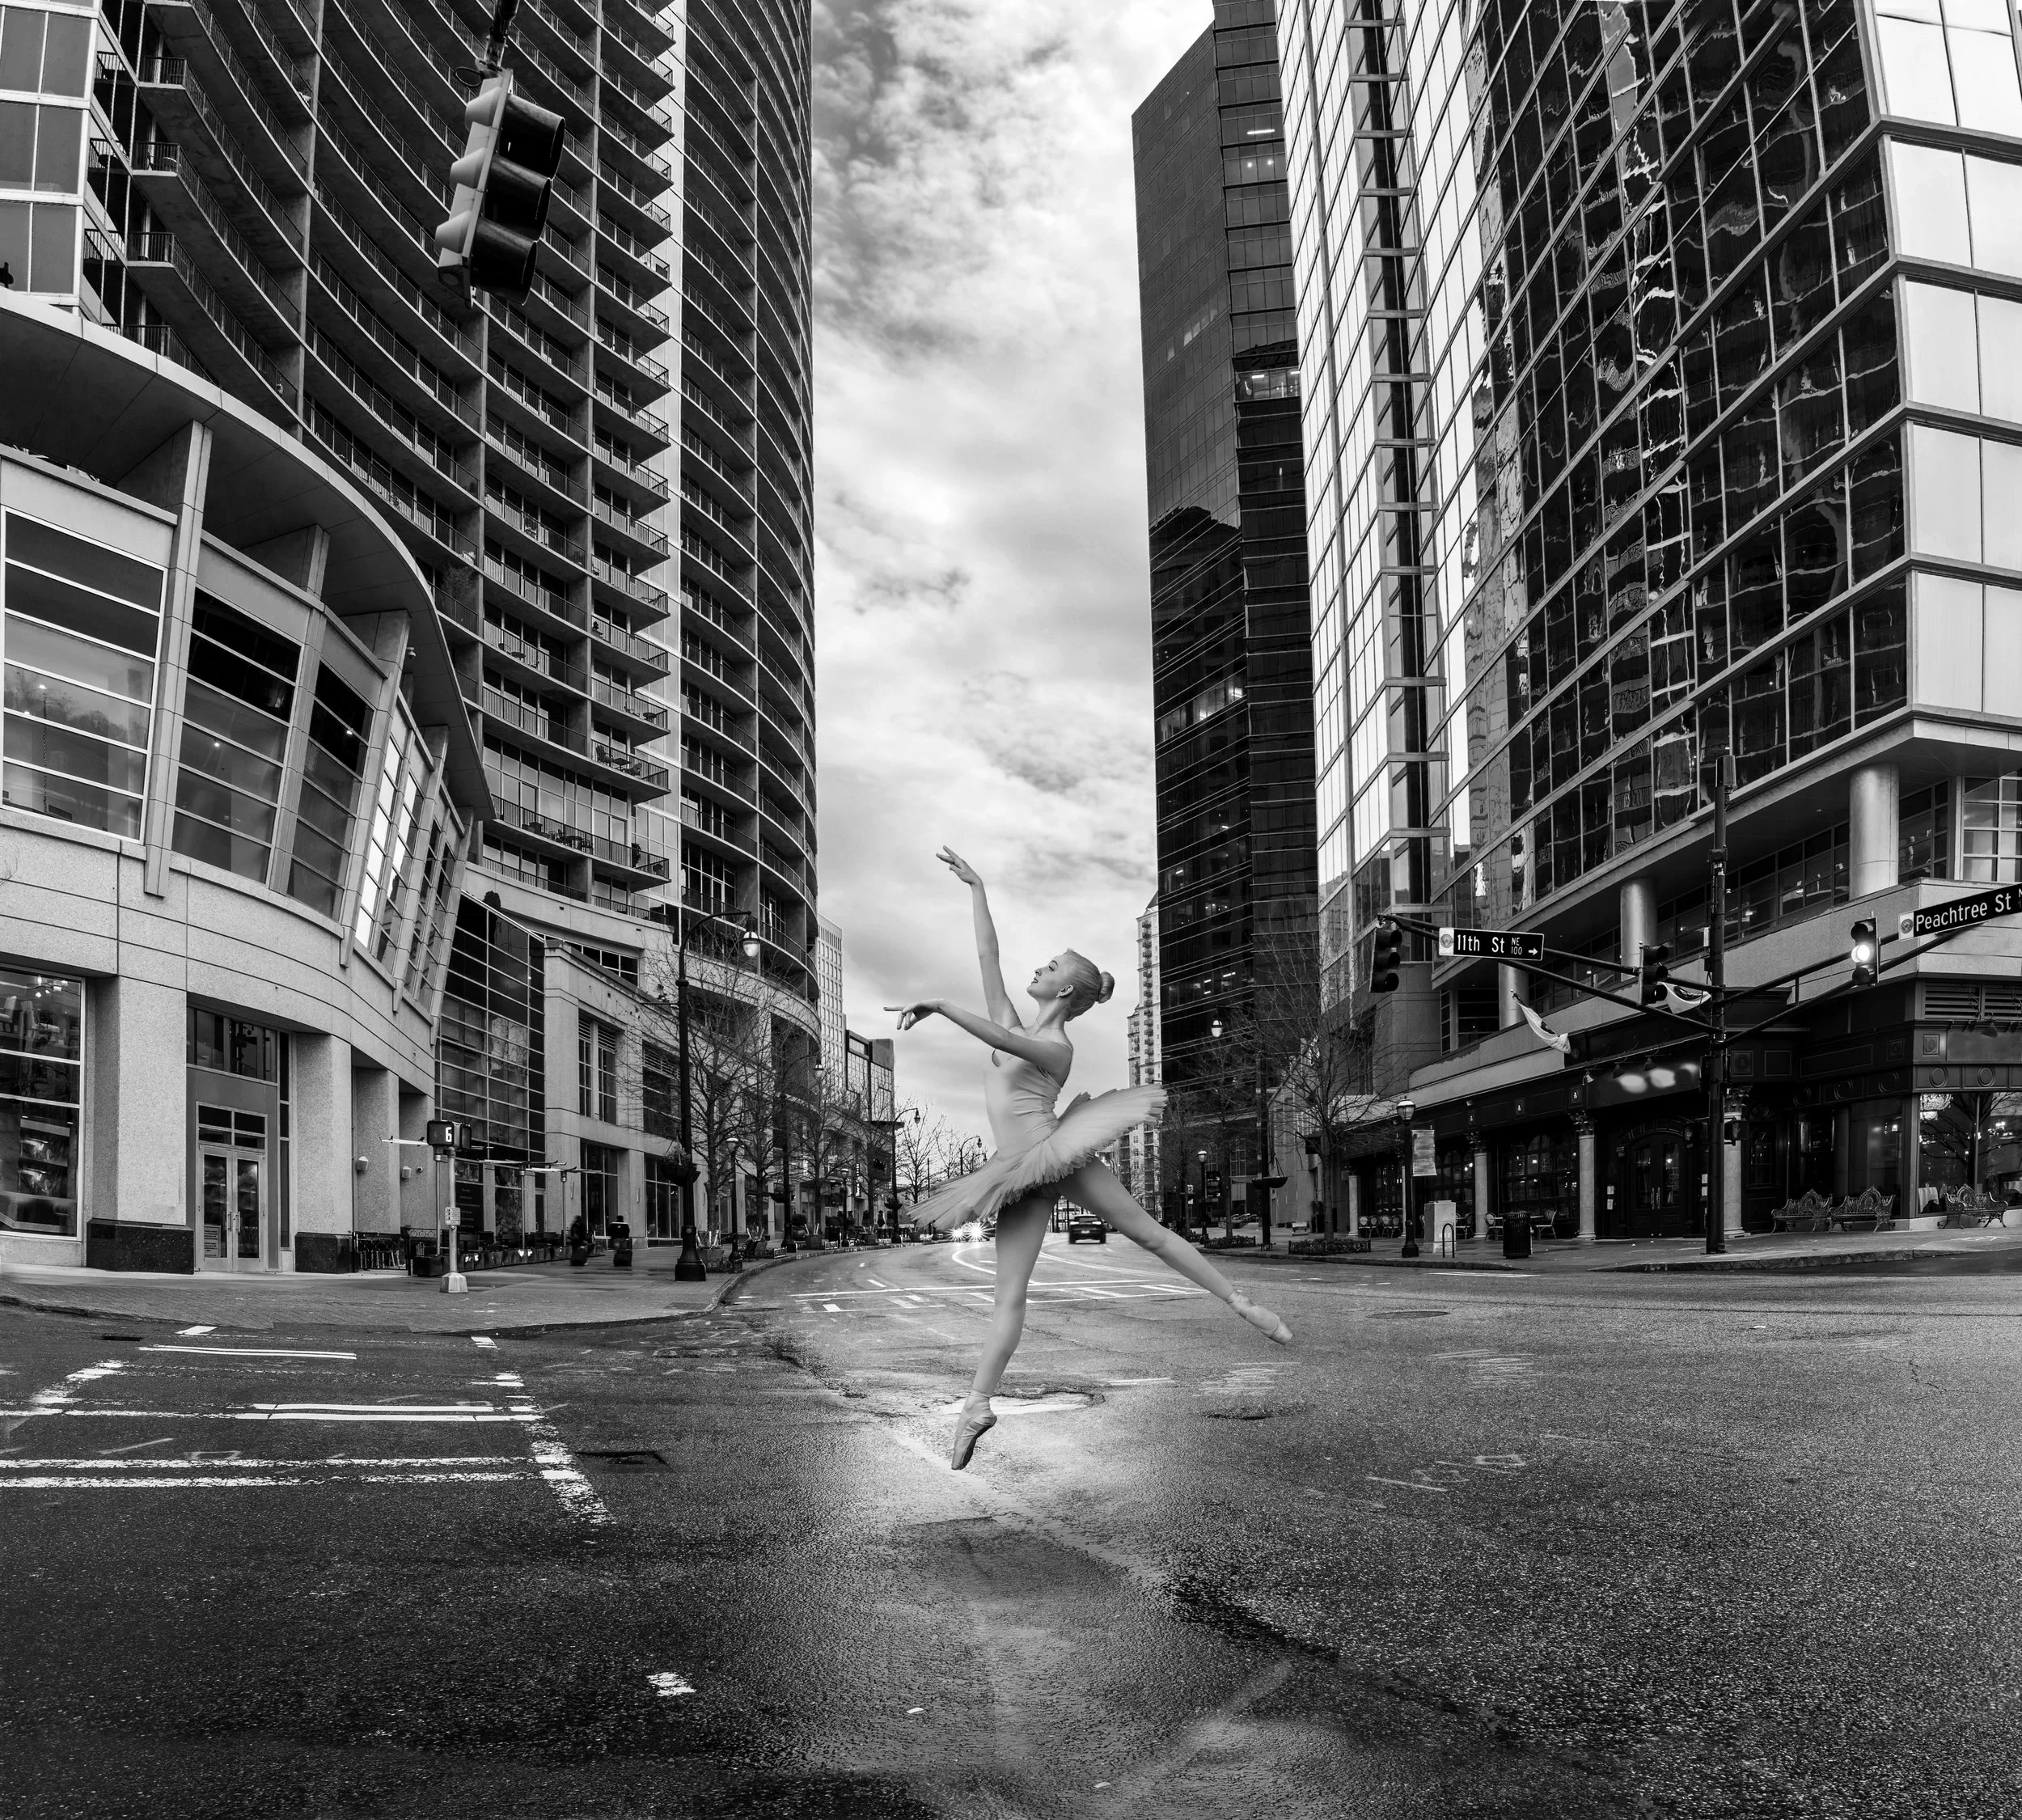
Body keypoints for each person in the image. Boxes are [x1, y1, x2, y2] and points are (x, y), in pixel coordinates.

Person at [889, 847, 1293, 1471]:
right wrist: (977, 889)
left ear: (1066, 990)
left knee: (1149, 1234)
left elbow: (1000, 1037)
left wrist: (942, 1005)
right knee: (1008, 1297)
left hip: (1055, 1151)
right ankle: (977, 1404)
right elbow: (988, 959)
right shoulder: (1021, 1024)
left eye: (1050, 967)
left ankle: (1242, 1304)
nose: (1038, 968)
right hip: (1017, 1171)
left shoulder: (1055, 1045)